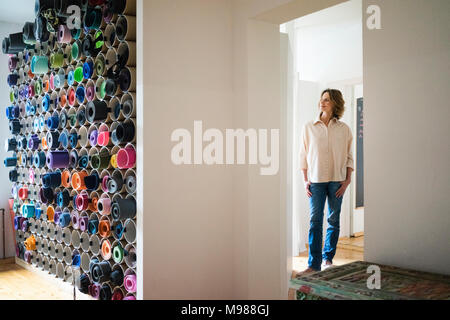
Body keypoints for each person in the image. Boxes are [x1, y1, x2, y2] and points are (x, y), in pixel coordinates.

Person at [299, 89, 354, 274]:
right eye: (322, 99)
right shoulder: (309, 127)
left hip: (337, 181)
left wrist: (347, 180)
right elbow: (303, 156)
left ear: (335, 103)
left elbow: (349, 156)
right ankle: (313, 265)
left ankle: (327, 259)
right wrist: (305, 180)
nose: (322, 103)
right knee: (315, 221)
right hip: (315, 181)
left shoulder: (344, 129)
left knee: (333, 220)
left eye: (327, 100)